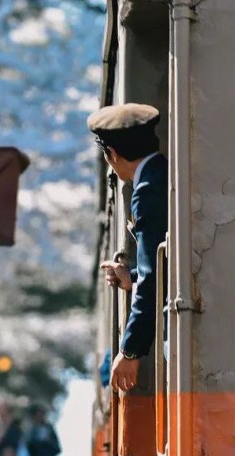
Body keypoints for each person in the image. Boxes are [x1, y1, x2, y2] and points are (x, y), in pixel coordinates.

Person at [89, 103, 168, 391]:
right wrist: (130, 277)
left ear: (112, 155)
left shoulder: (147, 190)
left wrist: (131, 350)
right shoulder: (162, 174)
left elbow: (154, 275)